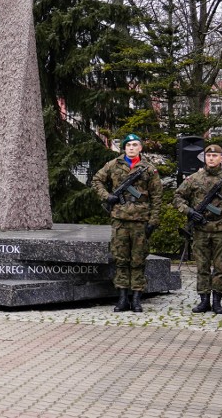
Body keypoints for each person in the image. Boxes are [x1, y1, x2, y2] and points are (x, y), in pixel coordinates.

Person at [91, 133, 162, 313]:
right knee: (120, 259)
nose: (131, 148)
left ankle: (136, 299)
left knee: (138, 260)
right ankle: (122, 298)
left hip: (140, 220)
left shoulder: (148, 169)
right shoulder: (113, 165)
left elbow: (156, 196)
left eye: (135, 145)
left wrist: (153, 220)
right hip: (120, 220)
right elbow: (97, 180)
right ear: (124, 148)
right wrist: (108, 196)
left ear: (140, 148)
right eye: (128, 145)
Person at [174, 144, 222, 314]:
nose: (211, 158)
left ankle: (217, 301)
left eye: (215, 156)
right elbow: (177, 197)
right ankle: (204, 300)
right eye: (208, 156)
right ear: (205, 158)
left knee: (220, 268)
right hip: (201, 230)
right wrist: (190, 212)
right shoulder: (194, 178)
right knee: (202, 267)